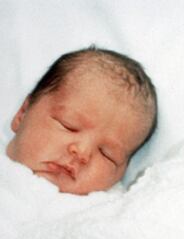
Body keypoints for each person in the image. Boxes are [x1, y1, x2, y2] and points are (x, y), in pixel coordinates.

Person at [5, 46, 157, 195]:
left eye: (107, 154)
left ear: (121, 174)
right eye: (68, 125)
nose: (82, 152)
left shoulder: (111, 211)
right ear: (22, 114)